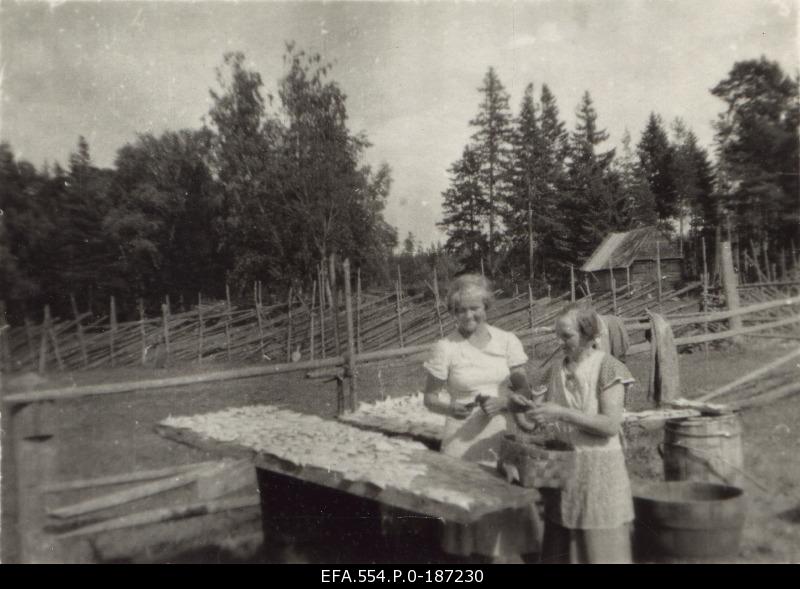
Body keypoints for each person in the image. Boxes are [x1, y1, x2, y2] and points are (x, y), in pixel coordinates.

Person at [422, 274, 541, 562]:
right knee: (464, 520)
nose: (468, 315)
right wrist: (451, 409)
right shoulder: (446, 347)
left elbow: (524, 388)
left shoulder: (507, 341)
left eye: (475, 307)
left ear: (486, 306)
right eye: (460, 310)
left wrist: (505, 401)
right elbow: (430, 398)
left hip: (497, 436)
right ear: (452, 312)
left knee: (500, 514)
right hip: (460, 440)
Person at [525, 303, 636, 564]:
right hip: (565, 468)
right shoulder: (556, 370)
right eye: (558, 335)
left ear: (587, 335)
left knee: (600, 547)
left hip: (599, 468)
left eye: (567, 336)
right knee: (563, 540)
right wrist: (524, 410)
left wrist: (561, 413)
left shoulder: (609, 367)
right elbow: (538, 422)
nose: (560, 342)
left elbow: (609, 425)